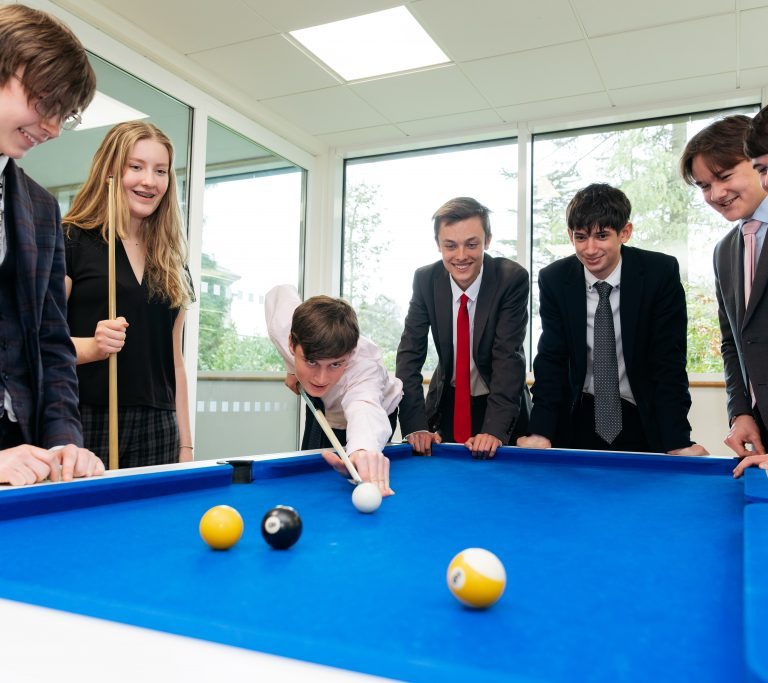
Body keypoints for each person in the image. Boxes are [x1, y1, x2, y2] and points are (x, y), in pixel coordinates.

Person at [517, 183, 706, 455]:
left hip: (639, 413)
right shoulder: (555, 279)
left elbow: (669, 362)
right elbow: (551, 360)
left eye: (602, 236)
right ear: (570, 236)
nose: (590, 249)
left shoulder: (658, 273)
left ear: (624, 233)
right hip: (577, 414)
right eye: (581, 237)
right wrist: (540, 430)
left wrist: (678, 440)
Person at [0, 4, 104, 485]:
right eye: (45, 101)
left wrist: (64, 442)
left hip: (21, 450)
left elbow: (51, 343)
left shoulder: (42, 208)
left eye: (65, 114)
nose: (54, 127)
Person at [64, 121, 194, 468]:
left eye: (160, 171)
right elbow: (38, 345)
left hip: (159, 425)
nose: (149, 181)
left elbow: (175, 363)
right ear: (110, 170)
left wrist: (186, 444)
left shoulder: (172, 261)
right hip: (84, 417)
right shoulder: (70, 240)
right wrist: (92, 346)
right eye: (136, 167)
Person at [396, 197, 530, 459]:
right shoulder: (425, 280)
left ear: (487, 240)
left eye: (471, 244)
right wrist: (416, 426)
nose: (461, 256)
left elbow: (507, 357)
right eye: (450, 245)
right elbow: (409, 355)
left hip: (498, 406)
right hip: (448, 404)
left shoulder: (510, 279)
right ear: (438, 245)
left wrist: (493, 430)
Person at [681, 113, 768, 478]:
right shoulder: (724, 250)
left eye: (724, 176)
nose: (715, 194)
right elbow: (733, 341)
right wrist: (742, 412)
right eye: (703, 185)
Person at [266, 284, 402, 496]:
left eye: (335, 364)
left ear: (351, 352)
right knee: (312, 471)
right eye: (311, 362)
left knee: (350, 460)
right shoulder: (283, 327)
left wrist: (363, 450)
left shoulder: (364, 367)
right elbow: (280, 292)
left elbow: (365, 408)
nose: (321, 378)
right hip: (325, 405)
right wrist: (292, 369)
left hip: (378, 408)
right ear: (292, 343)